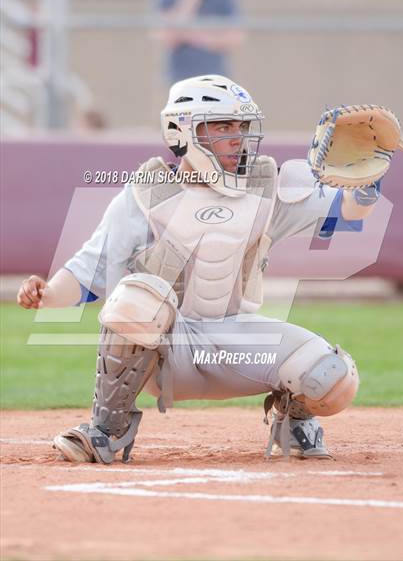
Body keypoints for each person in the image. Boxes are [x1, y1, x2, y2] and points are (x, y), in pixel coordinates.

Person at [18, 75, 382, 464]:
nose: (236, 138)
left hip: (236, 340)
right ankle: (107, 429)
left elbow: (344, 212)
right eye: (222, 126)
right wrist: (48, 294)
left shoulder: (264, 188)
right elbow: (91, 267)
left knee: (333, 376)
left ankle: (293, 421)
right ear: (180, 131)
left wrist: (366, 187)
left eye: (240, 127)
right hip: (166, 351)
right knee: (134, 298)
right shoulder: (146, 194)